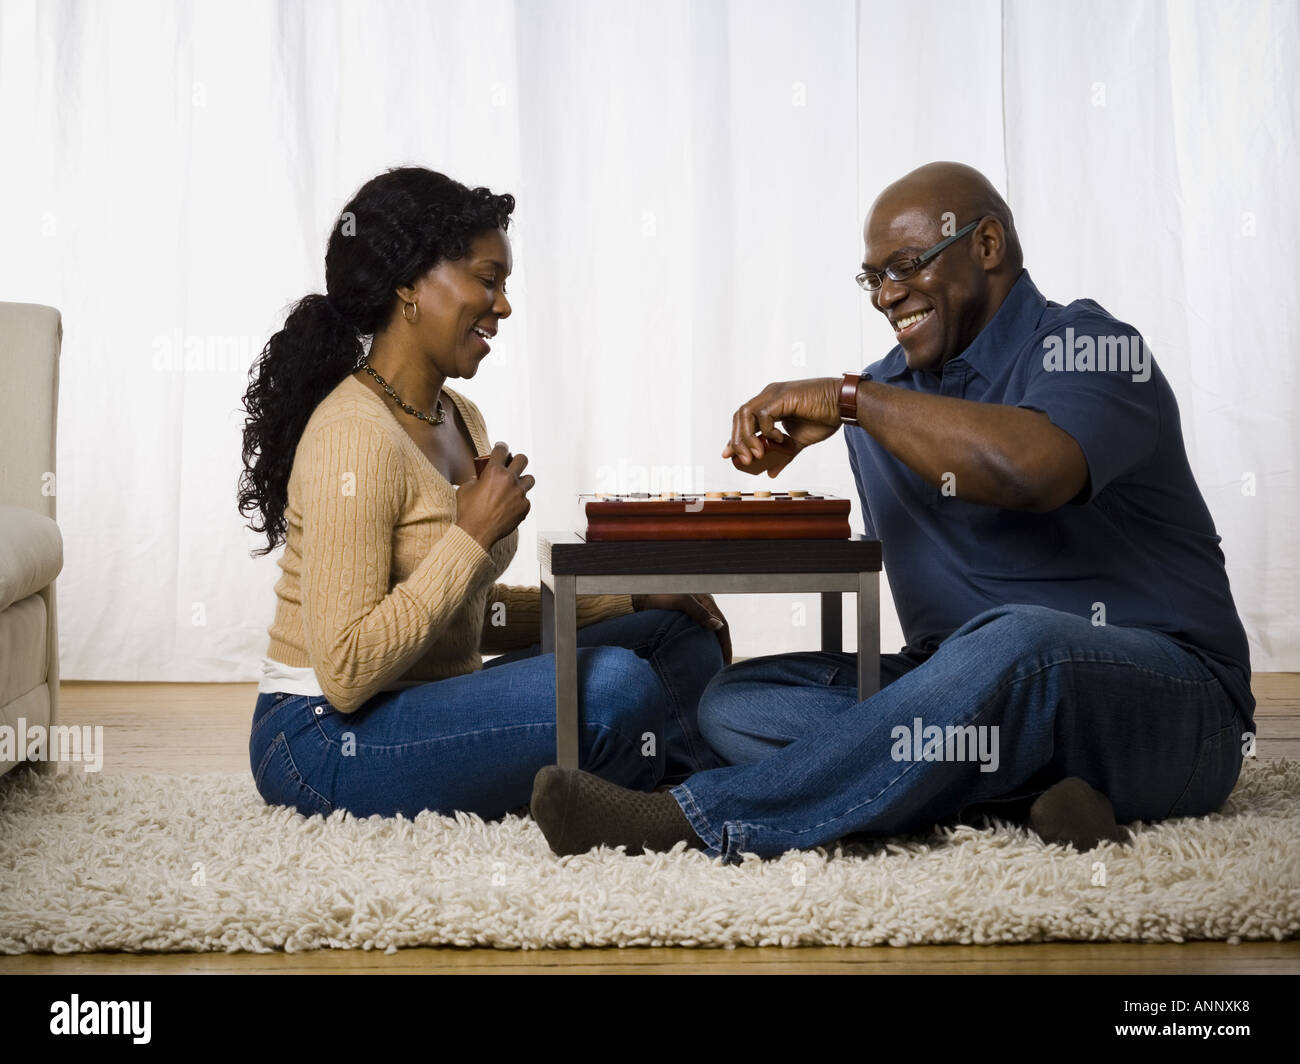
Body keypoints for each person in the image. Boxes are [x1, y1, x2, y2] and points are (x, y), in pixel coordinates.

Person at [530, 161, 1254, 862]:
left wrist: (854, 402)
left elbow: (1031, 473)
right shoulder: (884, 396)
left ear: (988, 244)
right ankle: (1019, 797)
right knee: (737, 702)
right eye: (873, 277)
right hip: (968, 700)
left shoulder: (1090, 349)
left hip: (1172, 701)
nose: (885, 296)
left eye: (906, 266)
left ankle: (701, 819)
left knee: (1019, 643)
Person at [237, 167, 727, 821]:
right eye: (488, 279)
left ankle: (677, 797)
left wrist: (626, 600)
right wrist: (469, 535)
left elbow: (467, 614)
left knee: (672, 635)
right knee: (613, 689)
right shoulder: (352, 435)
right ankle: (657, 784)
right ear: (410, 284)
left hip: (429, 700)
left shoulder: (458, 414)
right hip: (322, 738)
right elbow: (348, 671)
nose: (503, 305)